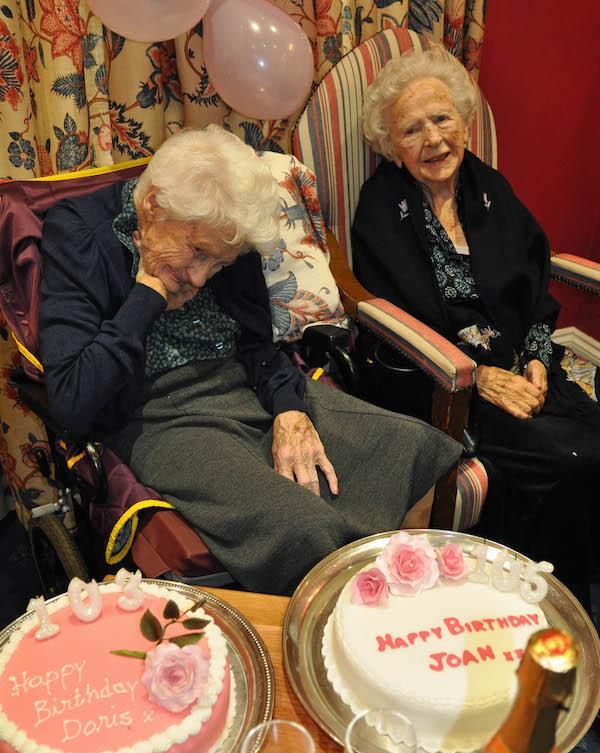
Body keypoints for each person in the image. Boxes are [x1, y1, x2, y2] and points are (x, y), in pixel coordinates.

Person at [39, 125, 461, 595]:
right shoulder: (77, 234)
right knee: (303, 530)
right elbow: (73, 399)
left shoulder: (222, 226)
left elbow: (258, 344)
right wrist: (147, 294)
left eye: (218, 264)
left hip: (244, 384)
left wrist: (288, 408)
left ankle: (397, 620)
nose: (200, 278)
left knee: (416, 450)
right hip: (157, 415)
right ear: (152, 205)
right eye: (197, 252)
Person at [351, 46, 600, 612]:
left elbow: (535, 287)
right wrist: (480, 378)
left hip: (525, 370)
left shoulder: (491, 189)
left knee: (591, 439)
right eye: (412, 129)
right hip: (446, 387)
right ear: (392, 146)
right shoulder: (380, 208)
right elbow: (391, 327)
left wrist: (538, 357)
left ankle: (572, 580)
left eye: (442, 119)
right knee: (569, 459)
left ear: (463, 120)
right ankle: (551, 599)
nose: (434, 139)